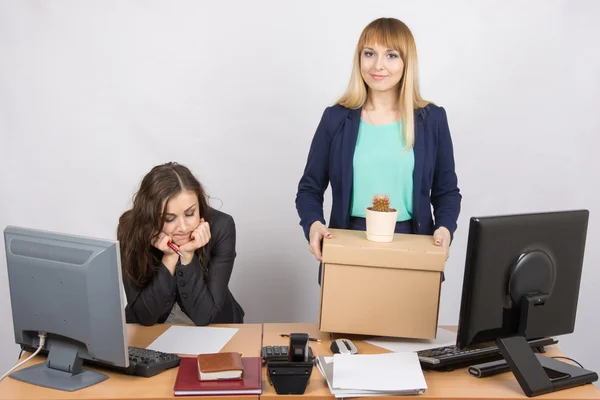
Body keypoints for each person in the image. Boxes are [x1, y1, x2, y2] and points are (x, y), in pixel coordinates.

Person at [295, 17, 461, 274]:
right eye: (369, 53)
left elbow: (447, 191)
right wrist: (314, 225)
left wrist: (444, 228)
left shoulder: (432, 120)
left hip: (414, 246)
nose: (378, 65)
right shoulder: (336, 118)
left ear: (407, 63)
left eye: (391, 55)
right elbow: (309, 188)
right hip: (348, 246)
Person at [117, 162, 244, 326]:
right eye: (169, 218)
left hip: (214, 325)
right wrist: (169, 258)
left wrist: (187, 257)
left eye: (190, 213)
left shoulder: (221, 226)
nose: (183, 228)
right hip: (154, 328)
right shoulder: (131, 229)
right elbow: (144, 317)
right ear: (150, 215)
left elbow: (205, 316)